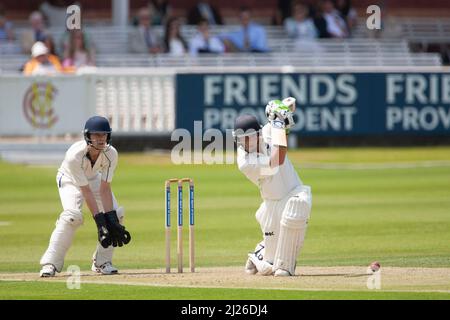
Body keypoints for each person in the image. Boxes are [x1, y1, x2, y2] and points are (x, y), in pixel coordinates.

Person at [39, 116, 131, 277]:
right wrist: (100, 222)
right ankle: (50, 263)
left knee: (116, 215)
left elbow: (105, 189)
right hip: (69, 179)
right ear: (87, 136)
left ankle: (102, 262)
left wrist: (110, 219)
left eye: (104, 135)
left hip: (92, 177)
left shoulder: (111, 154)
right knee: (72, 216)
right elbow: (85, 191)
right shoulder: (74, 155)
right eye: (96, 135)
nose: (101, 139)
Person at [232, 98, 312, 277]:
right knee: (267, 266)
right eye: (241, 139)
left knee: (296, 207)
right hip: (271, 204)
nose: (246, 143)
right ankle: (261, 252)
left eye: (249, 138)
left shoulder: (268, 131)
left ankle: (285, 266)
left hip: (294, 193)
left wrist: (283, 108)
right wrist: (279, 125)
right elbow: (278, 159)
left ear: (258, 134)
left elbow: (286, 109)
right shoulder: (245, 162)